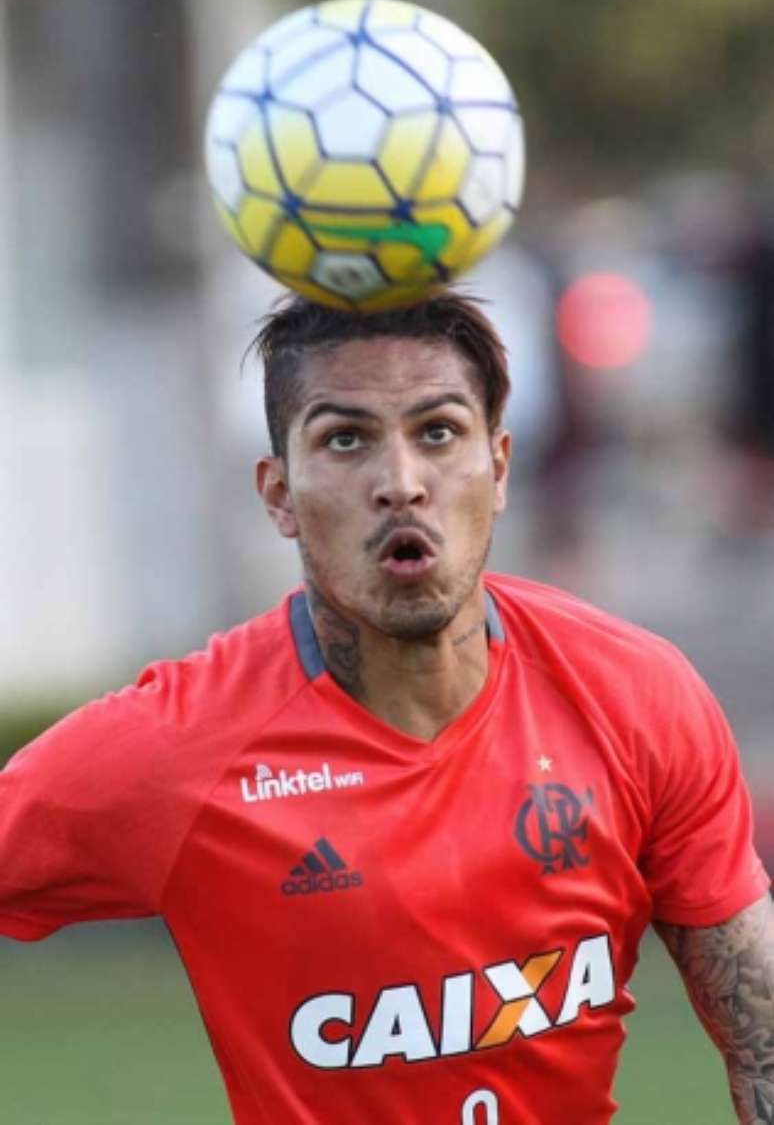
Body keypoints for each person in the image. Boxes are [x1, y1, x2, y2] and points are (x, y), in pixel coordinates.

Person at [0, 291, 771, 1124]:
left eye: (438, 432)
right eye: (345, 439)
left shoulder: (635, 696)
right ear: (279, 494)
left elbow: (760, 1040)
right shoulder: (176, 747)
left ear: (501, 466)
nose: (401, 484)